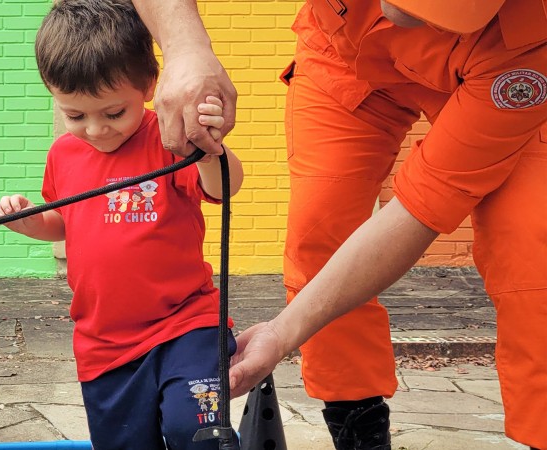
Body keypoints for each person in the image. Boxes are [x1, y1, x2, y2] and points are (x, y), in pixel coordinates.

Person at [132, 0, 547, 449]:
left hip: (498, 67)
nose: (409, 18)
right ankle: (359, 431)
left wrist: (284, 331)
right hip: (345, 58)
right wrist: (183, 46)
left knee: (531, 255)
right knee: (320, 234)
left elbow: (419, 210)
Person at [0, 1, 245, 449]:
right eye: (75, 116)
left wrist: (209, 152)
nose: (96, 130)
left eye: (113, 113)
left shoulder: (169, 136)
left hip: (184, 324)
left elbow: (224, 189)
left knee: (199, 433)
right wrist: (28, 221)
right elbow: (66, 222)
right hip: (104, 343)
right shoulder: (63, 155)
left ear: (151, 85)